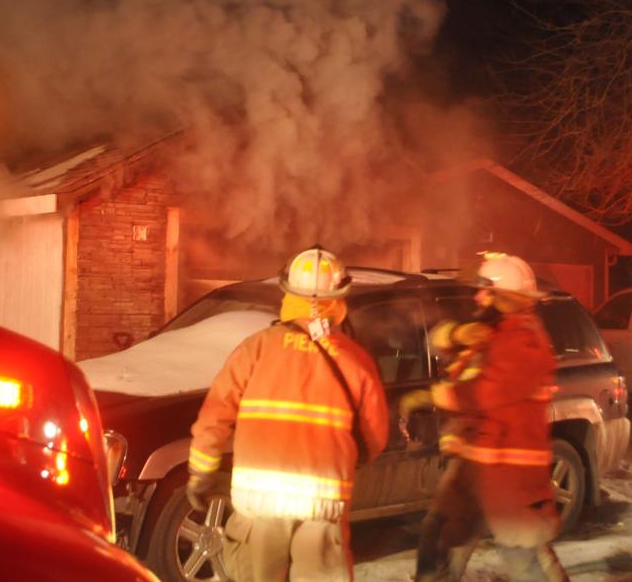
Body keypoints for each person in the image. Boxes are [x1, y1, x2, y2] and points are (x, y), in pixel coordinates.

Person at [186, 245, 390, 582]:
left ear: (286, 293)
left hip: (260, 503)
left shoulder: (257, 348)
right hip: (323, 505)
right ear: (340, 298)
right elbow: (375, 437)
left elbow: (214, 418)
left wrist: (201, 472)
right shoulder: (356, 360)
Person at [399, 252, 568, 582]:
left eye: (484, 291)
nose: (477, 297)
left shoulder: (524, 340)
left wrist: (432, 396)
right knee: (438, 543)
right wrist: (456, 336)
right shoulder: (498, 333)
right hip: (476, 468)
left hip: (510, 478)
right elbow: (449, 355)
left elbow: (484, 393)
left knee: (524, 559)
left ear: (503, 296)